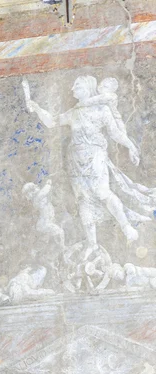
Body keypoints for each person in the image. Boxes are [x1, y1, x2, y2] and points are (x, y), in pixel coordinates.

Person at [22, 76, 155, 255]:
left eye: (77, 86)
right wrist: (37, 108)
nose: (72, 89)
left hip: (95, 155)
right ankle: (92, 244)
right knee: (83, 200)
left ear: (87, 87)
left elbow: (115, 133)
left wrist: (131, 147)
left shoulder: (102, 109)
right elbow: (53, 122)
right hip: (75, 159)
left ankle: (126, 227)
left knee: (103, 192)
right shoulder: (74, 112)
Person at [22, 179, 65, 247]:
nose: (37, 187)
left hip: (47, 218)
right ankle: (62, 245)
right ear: (31, 192)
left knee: (54, 231)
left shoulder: (37, 199)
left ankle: (59, 244)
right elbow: (45, 191)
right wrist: (48, 184)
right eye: (34, 187)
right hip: (46, 219)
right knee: (58, 231)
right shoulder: (37, 198)